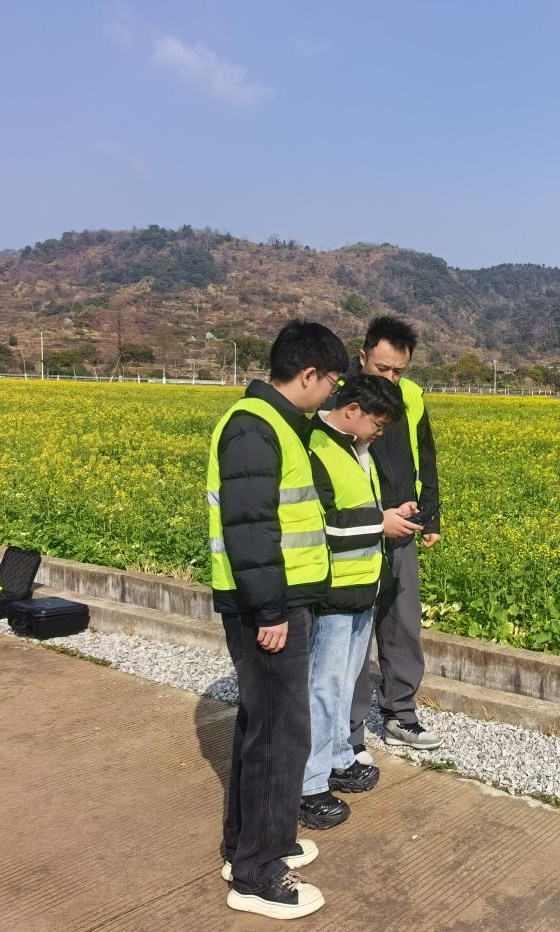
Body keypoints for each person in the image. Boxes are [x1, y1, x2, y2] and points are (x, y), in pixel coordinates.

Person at [207, 320, 347, 920]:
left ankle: (252, 844)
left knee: (263, 727)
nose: (334, 392)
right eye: (333, 380)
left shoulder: (278, 424)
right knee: (278, 736)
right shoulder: (254, 428)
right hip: (269, 609)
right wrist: (269, 610)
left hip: (281, 603)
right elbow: (250, 528)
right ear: (308, 373)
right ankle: (259, 875)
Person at [299, 374, 417, 830]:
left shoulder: (353, 447)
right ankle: (309, 786)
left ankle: (338, 759)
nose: (379, 433)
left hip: (361, 588)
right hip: (331, 592)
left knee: (345, 683)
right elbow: (322, 522)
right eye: (378, 424)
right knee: (323, 688)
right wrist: (380, 523)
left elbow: (360, 510)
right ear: (352, 411)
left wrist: (391, 516)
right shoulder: (315, 447)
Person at [343, 315, 444, 753]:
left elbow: (426, 456)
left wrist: (431, 517)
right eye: (381, 368)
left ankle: (400, 714)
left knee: (402, 623)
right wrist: (372, 516)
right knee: (351, 632)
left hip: (402, 524)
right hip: (355, 529)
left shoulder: (412, 399)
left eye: (398, 371)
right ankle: (347, 731)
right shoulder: (341, 396)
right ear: (362, 356)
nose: (389, 378)